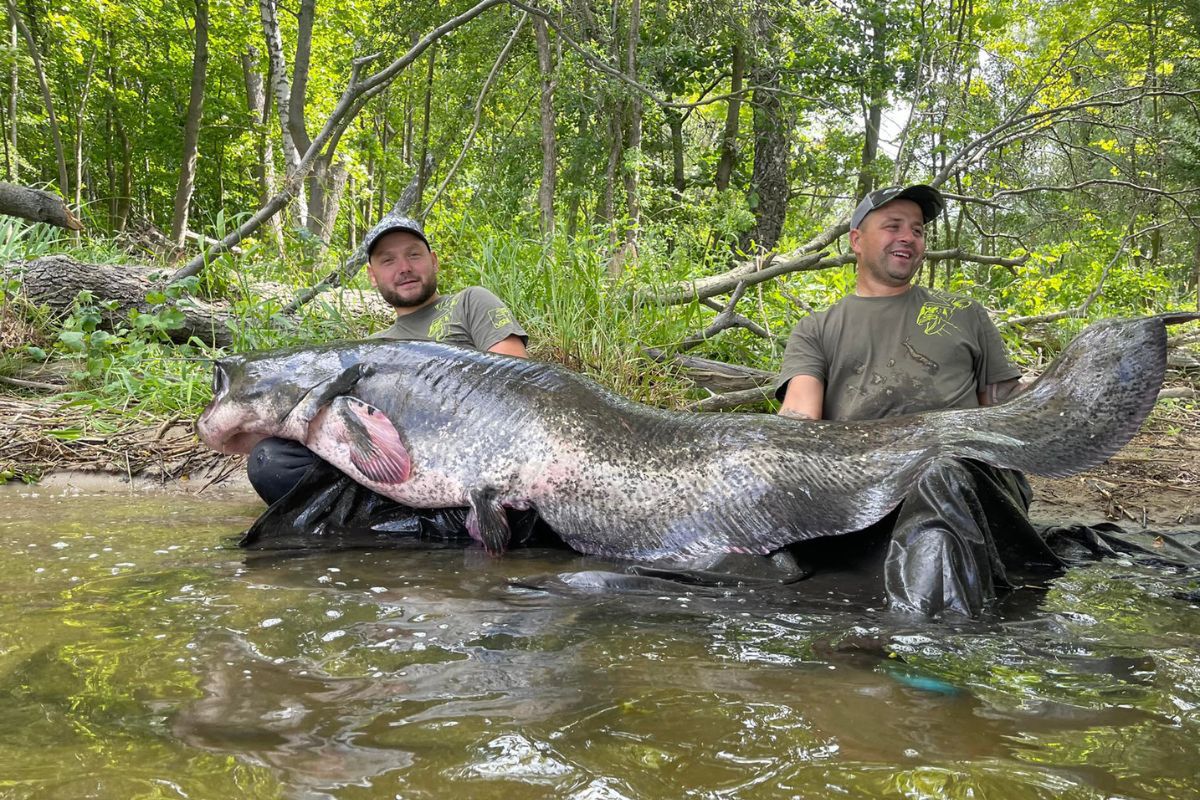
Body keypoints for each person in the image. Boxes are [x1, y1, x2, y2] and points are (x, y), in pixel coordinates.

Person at [774, 184, 1061, 617]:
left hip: (964, 472)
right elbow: (798, 417)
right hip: (864, 482)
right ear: (856, 240)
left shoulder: (965, 313)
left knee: (939, 473)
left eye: (918, 230)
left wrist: (1056, 402)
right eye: (893, 226)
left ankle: (927, 642)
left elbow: (1003, 410)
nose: (908, 237)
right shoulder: (816, 328)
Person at [246, 212, 528, 506]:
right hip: (392, 468)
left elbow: (514, 382)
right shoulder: (368, 349)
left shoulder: (470, 302)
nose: (404, 268)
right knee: (273, 461)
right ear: (372, 275)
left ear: (434, 261)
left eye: (413, 255)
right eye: (388, 260)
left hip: (480, 449)